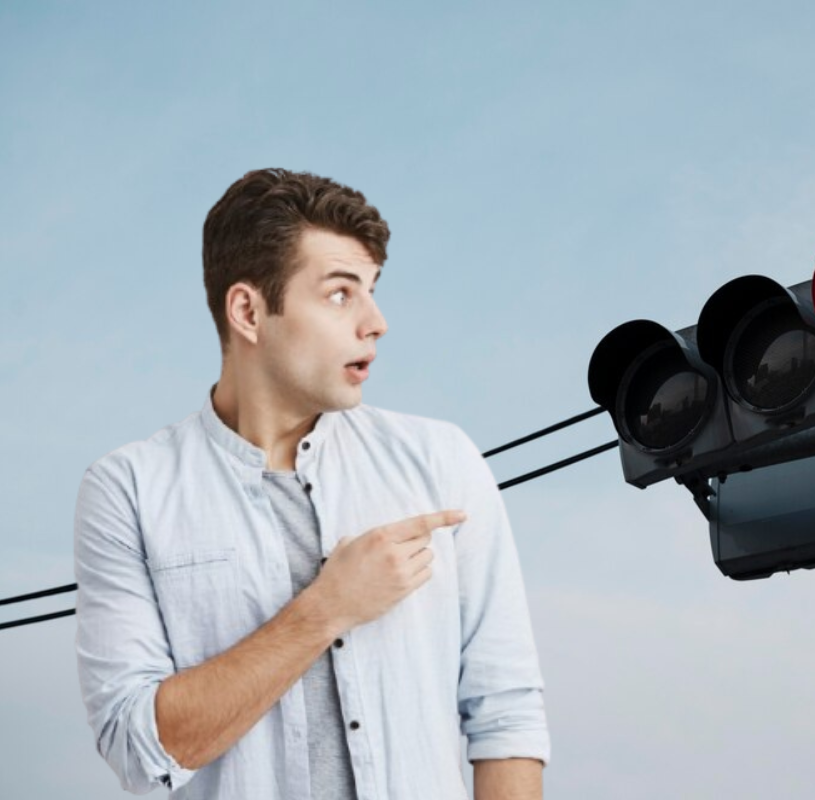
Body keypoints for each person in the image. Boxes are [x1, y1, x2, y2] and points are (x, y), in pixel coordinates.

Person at [73, 168, 549, 799]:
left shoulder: (441, 464)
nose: (376, 322)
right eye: (339, 294)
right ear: (248, 310)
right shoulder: (129, 491)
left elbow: (507, 717)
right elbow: (140, 749)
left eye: (373, 291)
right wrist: (327, 609)